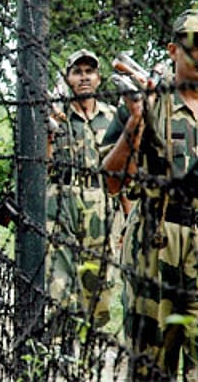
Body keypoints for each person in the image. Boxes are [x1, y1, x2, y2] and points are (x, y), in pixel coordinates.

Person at [102, 9, 198, 380]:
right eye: (196, 44)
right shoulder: (147, 102)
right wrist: (137, 122)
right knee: (149, 369)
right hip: (156, 250)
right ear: (174, 50)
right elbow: (111, 181)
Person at [46, 49, 118, 329]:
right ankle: (61, 346)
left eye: (89, 72)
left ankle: (93, 342)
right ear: (68, 78)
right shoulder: (57, 115)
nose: (84, 77)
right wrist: (49, 131)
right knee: (59, 281)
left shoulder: (112, 117)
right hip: (62, 199)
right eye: (77, 72)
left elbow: (121, 171)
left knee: (99, 283)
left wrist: (125, 221)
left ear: (99, 79)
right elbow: (43, 164)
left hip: (100, 203)